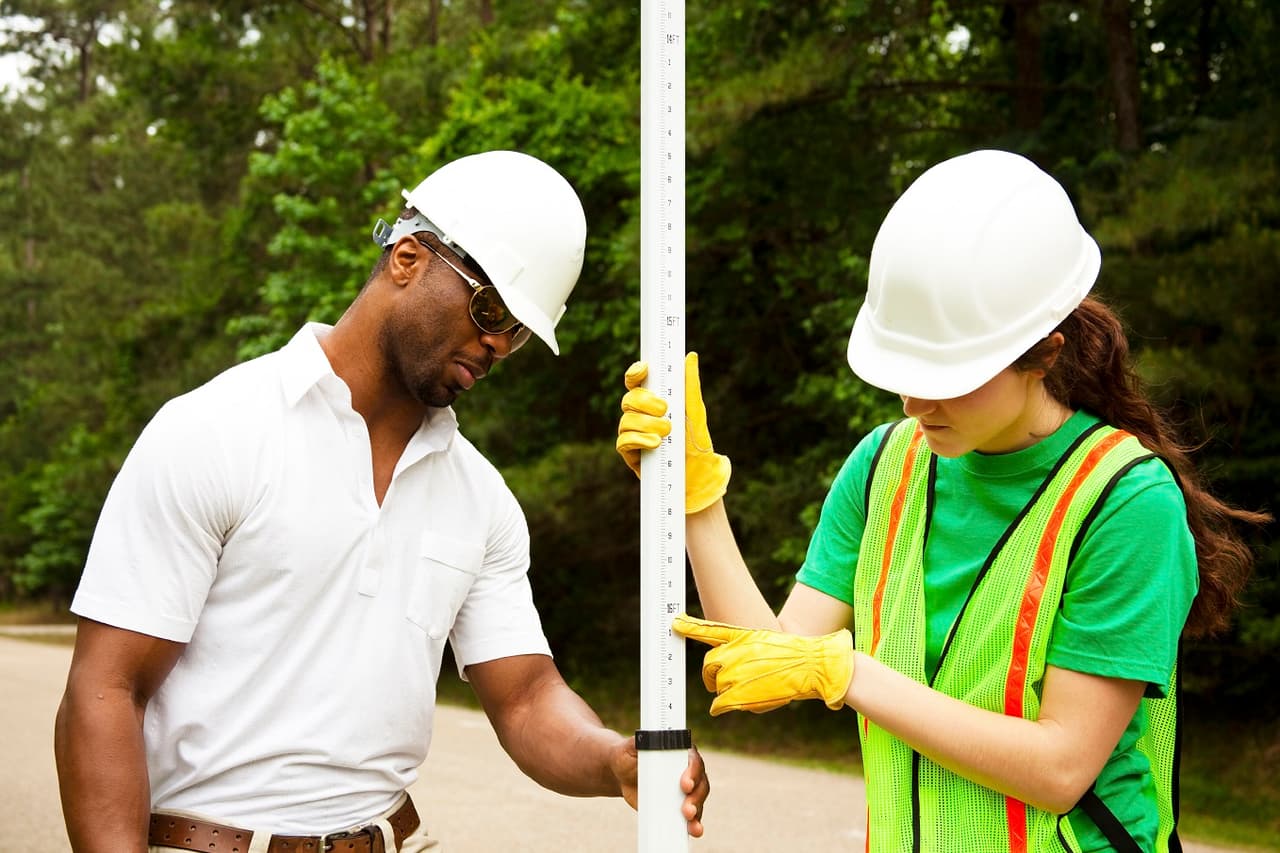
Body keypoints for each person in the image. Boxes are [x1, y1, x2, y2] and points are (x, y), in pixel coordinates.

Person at [55, 149, 708, 853]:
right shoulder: (216, 432)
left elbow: (524, 698)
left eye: (516, 331)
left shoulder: (481, 498)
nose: (494, 342)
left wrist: (614, 760)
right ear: (407, 257)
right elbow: (106, 690)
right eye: (488, 307)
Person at [616, 149, 1267, 852]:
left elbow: (1061, 767)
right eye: (902, 369)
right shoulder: (882, 466)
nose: (915, 399)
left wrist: (851, 672)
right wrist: (695, 498)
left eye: (946, 373)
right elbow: (771, 666)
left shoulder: (1126, 500)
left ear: (1043, 353)